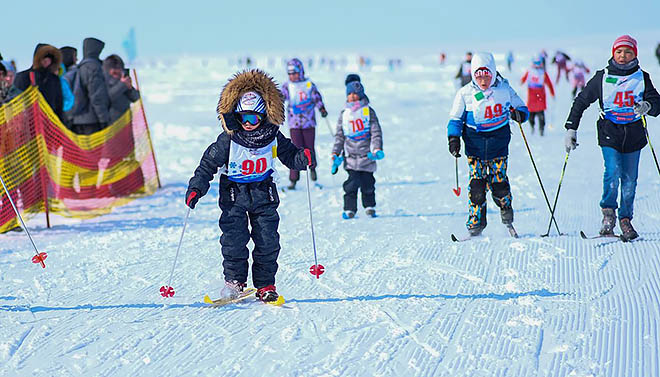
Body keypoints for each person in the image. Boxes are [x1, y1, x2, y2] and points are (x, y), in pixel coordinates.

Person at [185, 69, 314, 303]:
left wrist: (302, 158)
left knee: (267, 240)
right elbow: (207, 164)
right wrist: (196, 187)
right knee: (234, 240)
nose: (247, 123)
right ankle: (234, 282)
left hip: (264, 193)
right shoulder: (229, 138)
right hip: (233, 195)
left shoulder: (273, 136)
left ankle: (265, 285)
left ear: (263, 116)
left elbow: (290, 155)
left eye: (253, 118)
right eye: (242, 117)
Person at [564, 35, 660, 241]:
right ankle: (608, 214)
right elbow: (581, 101)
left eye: (628, 52)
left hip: (634, 134)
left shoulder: (642, 77)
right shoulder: (602, 76)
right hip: (610, 131)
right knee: (613, 170)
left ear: (635, 54)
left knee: (629, 180)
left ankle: (626, 220)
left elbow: (656, 102)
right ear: (613, 53)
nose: (623, 56)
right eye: (619, 51)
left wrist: (647, 106)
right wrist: (571, 128)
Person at [447, 52, 528, 237]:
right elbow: (455, 119)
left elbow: (522, 107)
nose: (483, 80)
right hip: (475, 147)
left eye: (486, 75)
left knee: (499, 185)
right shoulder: (465, 93)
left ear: (493, 72)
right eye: (478, 75)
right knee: (477, 186)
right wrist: (453, 139)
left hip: (498, 145)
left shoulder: (504, 89)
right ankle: (476, 223)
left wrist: (520, 115)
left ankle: (507, 215)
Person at [331, 79, 383, 219]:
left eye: (356, 93)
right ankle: (350, 208)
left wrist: (377, 148)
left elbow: (376, 131)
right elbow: (340, 135)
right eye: (350, 94)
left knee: (368, 183)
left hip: (367, 156)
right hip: (351, 157)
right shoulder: (344, 113)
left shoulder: (368, 111)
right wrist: (335, 152)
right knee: (351, 185)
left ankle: (369, 206)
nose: (353, 96)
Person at [280, 58, 327, 189]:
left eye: (294, 73)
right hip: (294, 123)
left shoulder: (308, 84)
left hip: (309, 123)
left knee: (309, 147)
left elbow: (316, 97)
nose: (292, 76)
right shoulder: (287, 86)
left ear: (300, 71)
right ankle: (293, 179)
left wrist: (321, 108)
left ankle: (312, 170)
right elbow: (281, 98)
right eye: (290, 74)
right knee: (295, 149)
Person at [70, 37, 110, 135]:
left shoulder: (79, 67)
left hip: (77, 119)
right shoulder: (94, 68)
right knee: (94, 150)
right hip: (92, 120)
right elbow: (97, 96)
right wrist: (103, 119)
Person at [13, 44, 63, 119]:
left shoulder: (54, 79)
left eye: (49, 60)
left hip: (49, 122)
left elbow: (58, 104)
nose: (47, 62)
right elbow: (16, 100)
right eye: (44, 59)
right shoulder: (23, 76)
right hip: (28, 121)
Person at [520, 55, 555, 136]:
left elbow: (549, 83)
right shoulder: (530, 71)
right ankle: (532, 127)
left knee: (540, 114)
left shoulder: (543, 73)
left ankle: (541, 130)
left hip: (540, 96)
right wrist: (521, 82)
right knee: (531, 115)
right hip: (532, 95)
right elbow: (523, 79)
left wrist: (552, 92)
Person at [103, 54, 140, 123]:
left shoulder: (123, 80)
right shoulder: (102, 81)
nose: (120, 71)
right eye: (116, 69)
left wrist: (129, 88)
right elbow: (106, 98)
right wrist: (122, 85)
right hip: (110, 123)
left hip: (125, 121)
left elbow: (136, 98)